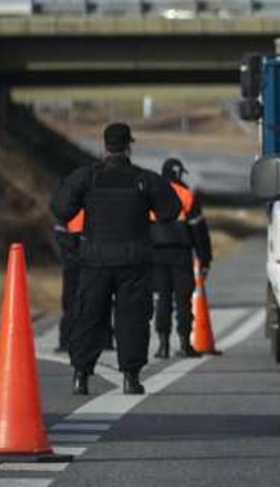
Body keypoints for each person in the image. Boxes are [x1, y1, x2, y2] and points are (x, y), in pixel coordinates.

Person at [51, 123, 180, 396]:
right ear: (129, 146)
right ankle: (131, 378)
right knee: (132, 319)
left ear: (104, 146)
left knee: (88, 317)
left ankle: (80, 375)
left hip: (95, 260)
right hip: (133, 262)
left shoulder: (87, 178)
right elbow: (170, 210)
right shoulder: (144, 179)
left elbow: (61, 209)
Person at [149, 158, 213, 360]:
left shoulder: (152, 195)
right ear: (180, 175)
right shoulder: (187, 196)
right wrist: (204, 259)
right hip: (181, 254)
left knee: (162, 299)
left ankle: (163, 346)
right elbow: (199, 232)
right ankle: (185, 344)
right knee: (183, 300)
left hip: (156, 255)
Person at [50, 209, 85, 353]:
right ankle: (67, 340)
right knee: (71, 300)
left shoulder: (69, 194)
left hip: (86, 252)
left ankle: (71, 340)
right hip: (79, 253)